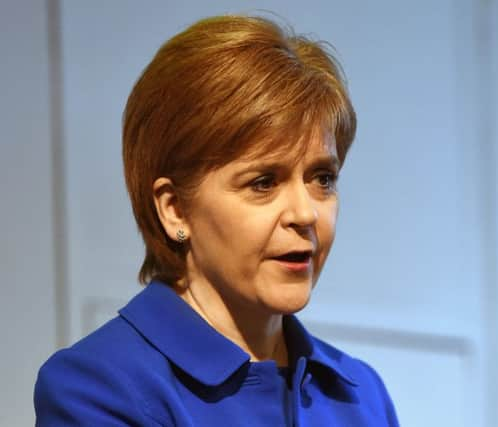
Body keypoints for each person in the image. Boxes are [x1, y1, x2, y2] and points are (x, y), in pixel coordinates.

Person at [34, 14, 399, 426]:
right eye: (263, 182)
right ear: (174, 208)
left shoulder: (360, 394)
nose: (305, 213)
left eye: (322, 178)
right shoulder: (98, 388)